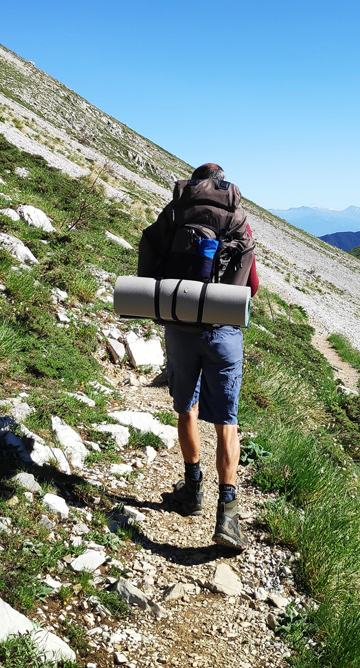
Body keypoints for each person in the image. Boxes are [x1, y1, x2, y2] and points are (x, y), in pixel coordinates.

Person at [137, 163, 259, 550]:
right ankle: (228, 515)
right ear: (223, 183)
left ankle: (192, 492)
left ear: (193, 183)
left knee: (186, 407)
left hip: (181, 326)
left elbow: (150, 260)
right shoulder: (237, 218)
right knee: (227, 421)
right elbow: (251, 285)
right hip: (223, 331)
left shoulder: (175, 212)